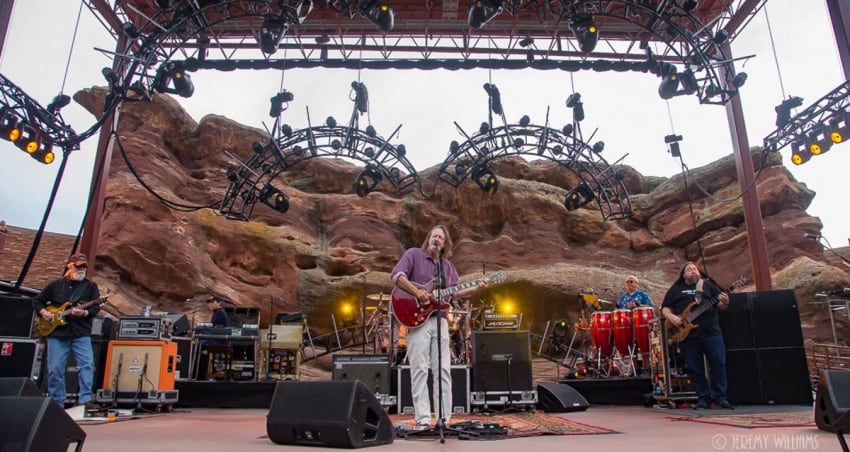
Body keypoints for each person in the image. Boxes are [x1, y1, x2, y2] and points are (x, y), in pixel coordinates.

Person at [391, 225, 487, 429]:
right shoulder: (414, 255)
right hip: (417, 321)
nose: (437, 239)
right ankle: (423, 419)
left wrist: (476, 287)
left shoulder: (447, 267)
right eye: (434, 235)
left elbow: (456, 293)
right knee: (419, 370)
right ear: (428, 238)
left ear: (445, 244)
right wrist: (417, 293)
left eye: (441, 238)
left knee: (443, 370)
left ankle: (444, 418)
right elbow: (397, 276)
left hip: (440, 320)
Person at [33, 253, 102, 409]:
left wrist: (85, 313)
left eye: (84, 266)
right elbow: (37, 301)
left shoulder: (90, 286)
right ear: (70, 266)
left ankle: (85, 400)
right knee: (55, 368)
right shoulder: (56, 285)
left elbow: (96, 306)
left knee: (87, 364)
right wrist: (44, 312)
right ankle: (57, 401)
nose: (82, 269)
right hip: (57, 333)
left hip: (80, 332)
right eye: (78, 266)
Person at [661, 261, 732, 410]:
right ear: (683, 274)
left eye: (695, 269)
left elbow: (720, 306)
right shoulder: (676, 289)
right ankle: (703, 398)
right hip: (687, 334)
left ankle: (720, 397)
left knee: (719, 363)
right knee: (695, 367)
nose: (693, 271)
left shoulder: (707, 285)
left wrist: (725, 302)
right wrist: (672, 318)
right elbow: (665, 308)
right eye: (689, 269)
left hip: (711, 331)